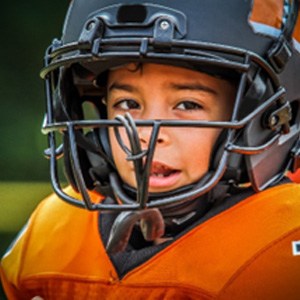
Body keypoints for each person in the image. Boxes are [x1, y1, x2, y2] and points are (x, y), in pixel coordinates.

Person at [1, 0, 300, 299]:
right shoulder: (54, 231)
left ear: (265, 116)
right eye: (128, 104)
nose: (146, 134)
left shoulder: (282, 239)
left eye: (187, 105)